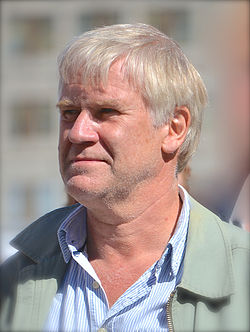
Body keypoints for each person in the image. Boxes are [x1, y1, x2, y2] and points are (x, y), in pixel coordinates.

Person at [0, 23, 249, 332]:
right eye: (69, 112)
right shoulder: (16, 277)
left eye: (106, 112)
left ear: (174, 129)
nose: (77, 132)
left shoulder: (242, 278)